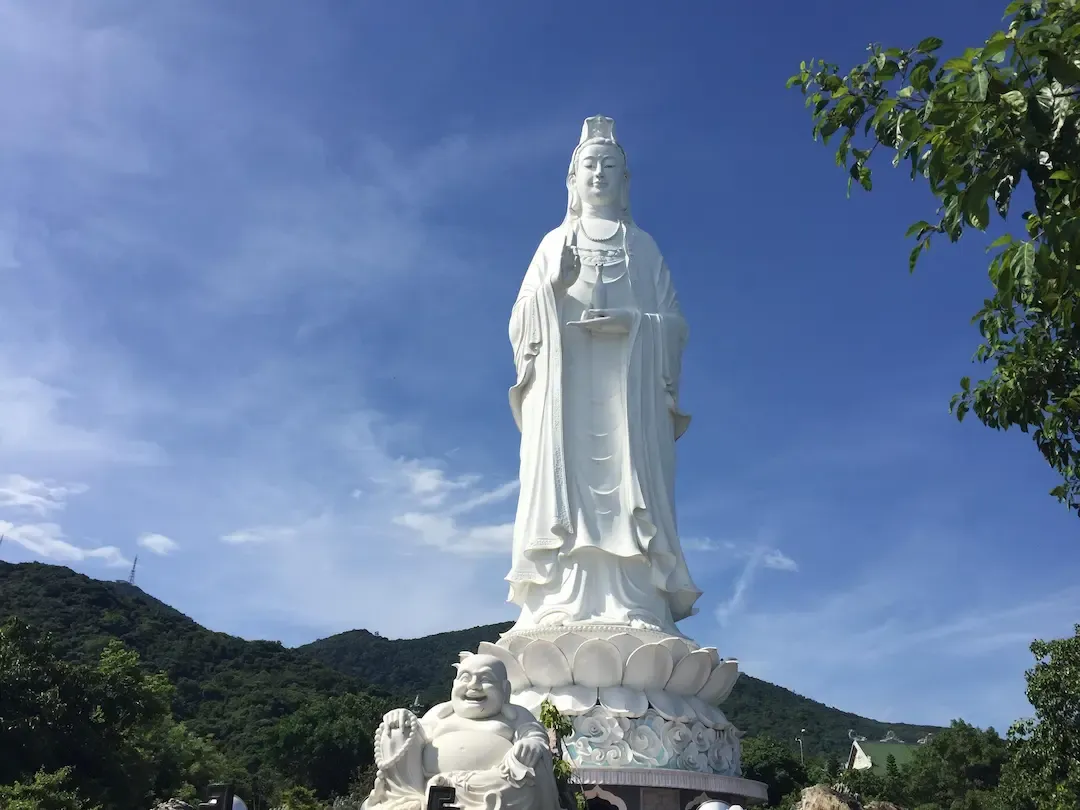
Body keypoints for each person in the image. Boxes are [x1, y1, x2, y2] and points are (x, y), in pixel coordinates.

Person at [506, 116, 701, 634]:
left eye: (609, 166)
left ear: (625, 180)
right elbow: (519, 320)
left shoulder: (643, 247)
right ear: (572, 180)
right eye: (588, 165)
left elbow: (675, 325)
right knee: (563, 490)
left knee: (627, 487)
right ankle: (558, 599)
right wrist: (554, 286)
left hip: (627, 400)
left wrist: (633, 325)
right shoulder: (553, 242)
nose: (598, 174)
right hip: (565, 392)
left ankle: (637, 600)